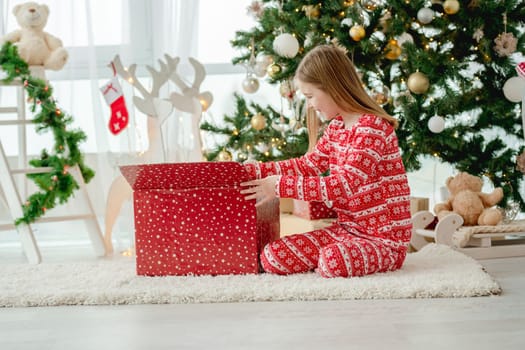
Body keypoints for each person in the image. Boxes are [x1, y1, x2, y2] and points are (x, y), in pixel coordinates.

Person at [240, 44, 412, 278]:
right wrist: (255, 171)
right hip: (346, 231)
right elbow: (307, 165)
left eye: (310, 96)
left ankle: (348, 256)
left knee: (331, 262)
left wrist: (279, 186)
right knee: (273, 256)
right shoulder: (337, 127)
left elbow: (343, 185)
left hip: (383, 240)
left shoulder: (373, 129)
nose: (310, 105)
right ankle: (340, 254)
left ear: (333, 88)